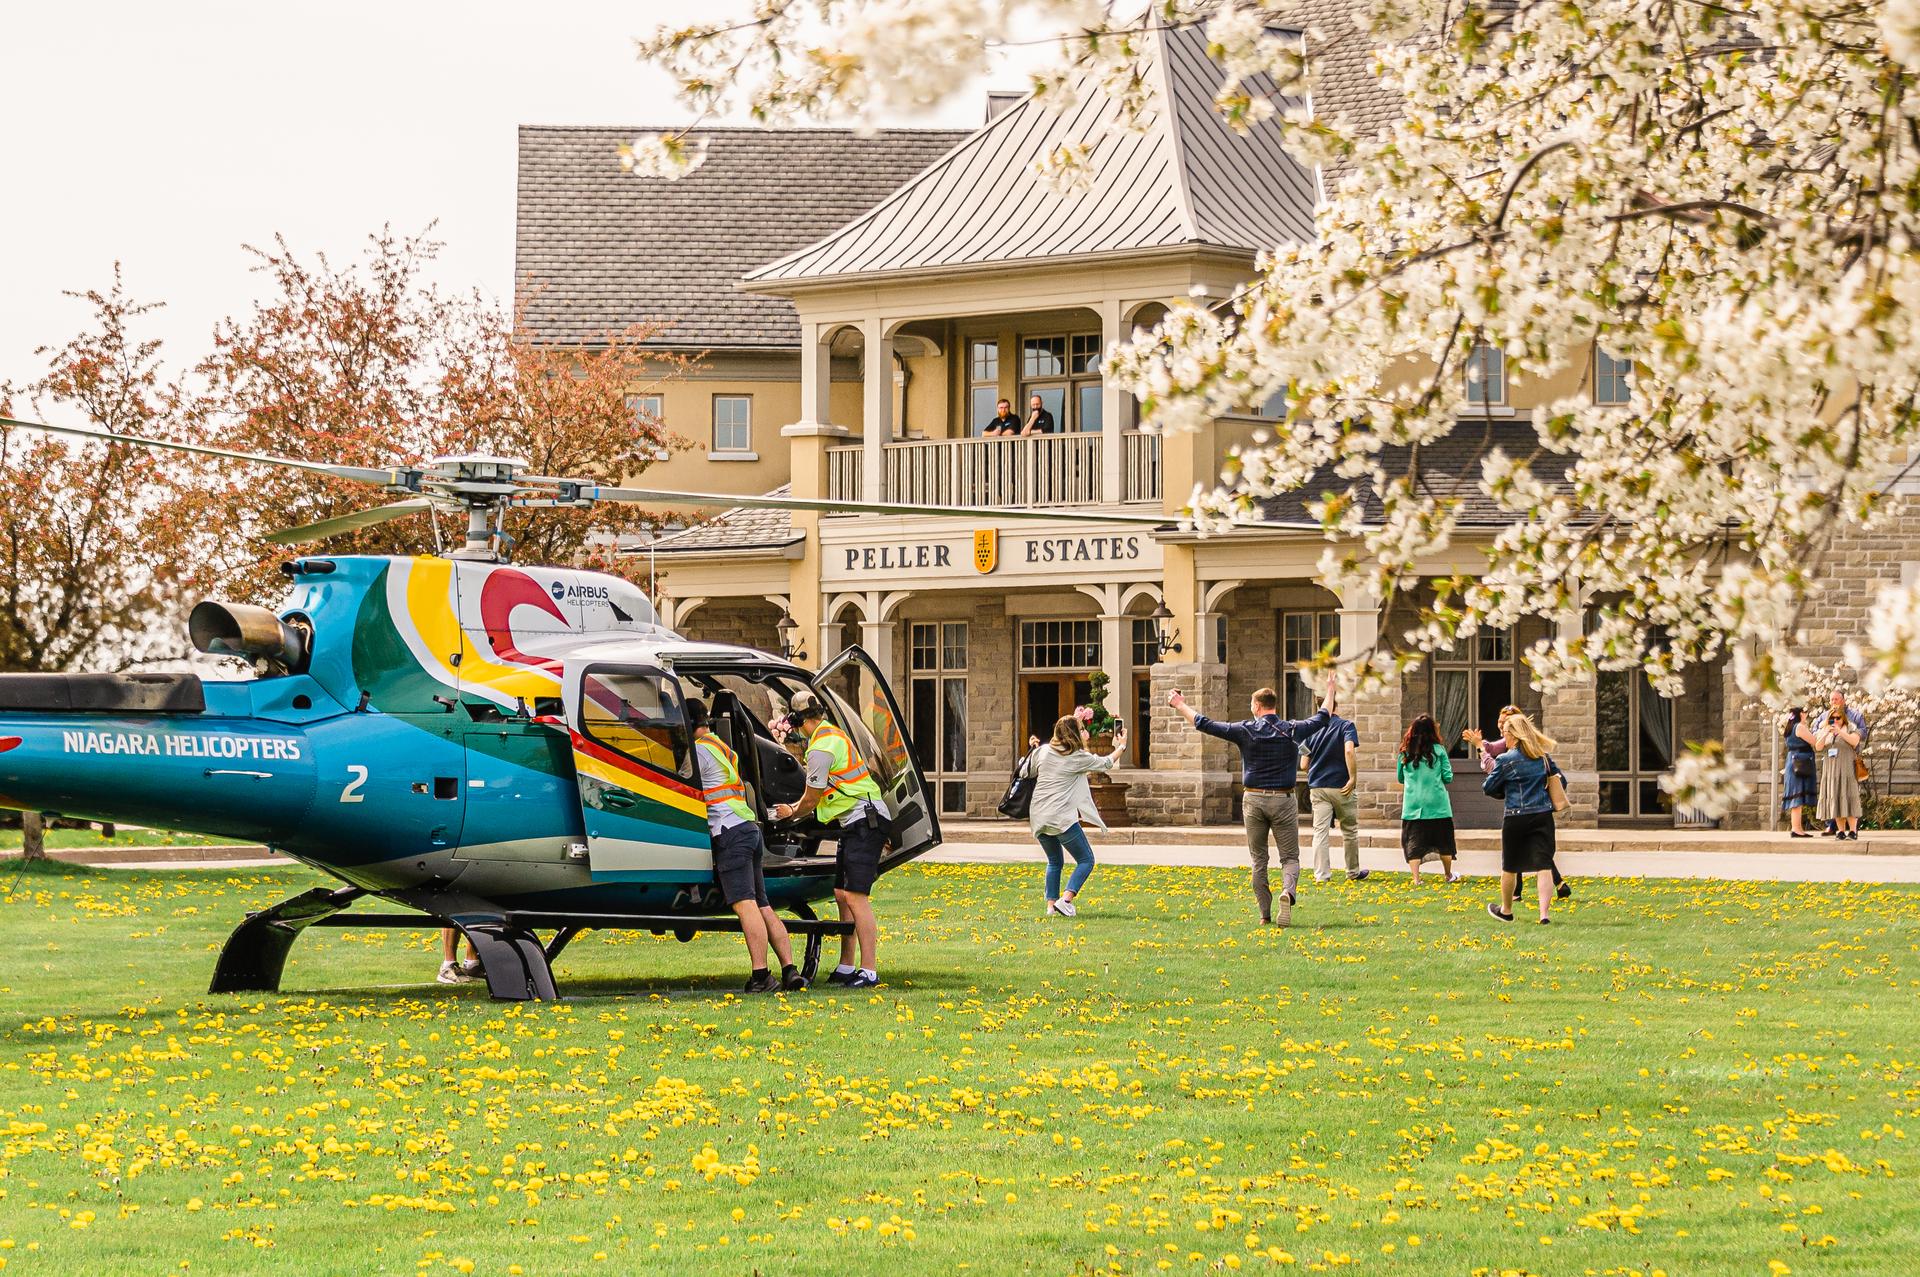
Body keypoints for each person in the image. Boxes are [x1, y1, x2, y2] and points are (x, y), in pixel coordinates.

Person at [1169, 679, 1335, 926]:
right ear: (1273, 706)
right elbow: (1323, 718)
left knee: (1259, 860)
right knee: (1289, 857)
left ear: (1257, 706)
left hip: (1254, 799)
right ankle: (1287, 893)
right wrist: (1330, 689)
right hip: (1284, 799)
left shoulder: (1245, 729)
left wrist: (1180, 704)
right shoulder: (1292, 728)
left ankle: (1265, 916)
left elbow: (1205, 724)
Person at [772, 690, 889, 988]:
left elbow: (811, 799)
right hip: (855, 821)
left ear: (798, 721)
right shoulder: (833, 736)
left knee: (855, 896)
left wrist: (790, 812)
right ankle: (847, 965)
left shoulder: (821, 748)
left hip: (865, 820)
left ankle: (869, 971)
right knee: (841, 893)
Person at [691, 700, 807, 993]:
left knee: (746, 906)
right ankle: (790, 970)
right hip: (748, 827)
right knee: (763, 904)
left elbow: (679, 780)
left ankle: (761, 976)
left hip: (729, 832)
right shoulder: (720, 745)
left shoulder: (699, 752)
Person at [1023, 714, 1128, 915]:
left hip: (1039, 815)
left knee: (1054, 861)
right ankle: (1066, 900)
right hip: (1060, 817)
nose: (1084, 733)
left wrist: (1034, 749)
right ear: (1074, 734)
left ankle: (1050, 908)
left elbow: (1025, 772)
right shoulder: (1076, 757)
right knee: (1086, 859)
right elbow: (1105, 763)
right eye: (1081, 729)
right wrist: (1122, 746)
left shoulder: (1043, 751)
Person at [1464, 705, 1570, 899]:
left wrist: (1480, 747)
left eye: (1506, 723)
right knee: (1540, 853)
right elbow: (1561, 780)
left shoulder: (1511, 754)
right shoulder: (1537, 752)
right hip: (1540, 810)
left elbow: (1493, 771)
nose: (1502, 726)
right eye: (1501, 722)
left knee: (1515, 854)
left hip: (1517, 809)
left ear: (1516, 728)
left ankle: (1513, 897)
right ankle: (1549, 899)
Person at [1482, 713, 1564, 924]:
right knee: (1543, 865)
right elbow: (1560, 781)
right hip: (1543, 816)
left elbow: (1488, 787)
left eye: (1505, 733)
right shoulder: (1543, 757)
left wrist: (1505, 790)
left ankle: (1506, 911)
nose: (1503, 737)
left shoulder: (1505, 760)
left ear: (1515, 735)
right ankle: (1544, 915)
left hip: (1515, 817)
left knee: (1510, 866)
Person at [1302, 701, 1368, 882]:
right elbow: (1349, 751)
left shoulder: (1310, 729)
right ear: (1337, 705)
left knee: (1320, 832)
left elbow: (1303, 764)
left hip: (1318, 787)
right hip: (1342, 786)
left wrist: (1316, 773)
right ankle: (1352, 872)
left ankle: (1322, 875)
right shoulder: (1346, 726)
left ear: (1316, 704)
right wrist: (1352, 777)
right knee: (1349, 831)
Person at [1395, 714, 1457, 884]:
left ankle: (1416, 878)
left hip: (1413, 805)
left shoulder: (1404, 752)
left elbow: (1400, 778)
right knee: (1444, 842)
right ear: (1433, 731)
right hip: (1438, 804)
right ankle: (1448, 875)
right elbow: (1448, 777)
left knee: (1414, 843)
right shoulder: (1439, 751)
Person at [1815, 689, 1867, 840]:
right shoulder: (1825, 729)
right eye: (1832, 718)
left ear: (1843, 718)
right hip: (1831, 771)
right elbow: (1818, 747)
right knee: (1835, 799)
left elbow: (1854, 741)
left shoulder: (1850, 728)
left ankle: (1853, 831)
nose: (1835, 720)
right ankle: (1841, 831)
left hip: (1847, 769)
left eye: (1838, 718)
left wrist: (1840, 731)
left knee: (1849, 798)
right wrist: (1826, 732)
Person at [1782, 706, 1819, 837]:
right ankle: (1796, 829)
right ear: (1800, 714)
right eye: (1805, 713)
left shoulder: (1789, 727)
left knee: (1796, 796)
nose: (1806, 715)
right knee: (1798, 796)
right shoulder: (1799, 727)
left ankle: (1797, 828)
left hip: (1792, 762)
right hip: (1800, 763)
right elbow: (1814, 741)